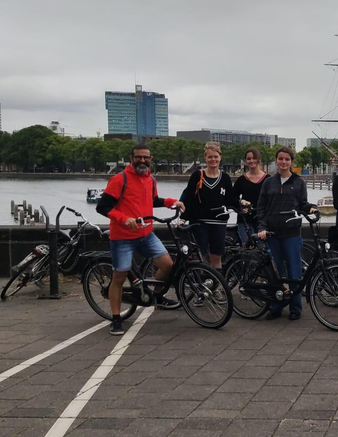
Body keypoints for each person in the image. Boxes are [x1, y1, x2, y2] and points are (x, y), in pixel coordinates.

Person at [96, 143, 185, 336]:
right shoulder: (119, 180)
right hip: (122, 237)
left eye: (146, 157)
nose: (142, 160)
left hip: (146, 235)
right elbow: (102, 207)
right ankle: (116, 318)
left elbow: (153, 200)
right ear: (131, 159)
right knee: (119, 277)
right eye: (138, 157)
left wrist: (171, 202)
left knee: (168, 265)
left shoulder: (150, 179)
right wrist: (124, 219)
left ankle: (156, 296)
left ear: (151, 159)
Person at [257, 146, 317, 320]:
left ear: (291, 162)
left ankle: (295, 308)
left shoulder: (299, 182)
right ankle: (276, 306)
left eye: (287, 159)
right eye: (281, 159)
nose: (283, 162)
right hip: (272, 233)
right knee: (275, 273)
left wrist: (311, 208)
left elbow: (302, 204)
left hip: (291, 233)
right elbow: (261, 208)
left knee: (294, 272)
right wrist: (262, 227)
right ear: (276, 160)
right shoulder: (268, 182)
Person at [182, 142, 236, 270]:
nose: (213, 159)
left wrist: (240, 203)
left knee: (216, 256)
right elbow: (189, 197)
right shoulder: (197, 176)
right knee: (200, 256)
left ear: (220, 157)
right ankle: (200, 284)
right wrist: (183, 218)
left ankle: (216, 286)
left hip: (218, 223)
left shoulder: (225, 178)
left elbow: (230, 200)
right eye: (210, 157)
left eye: (216, 156)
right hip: (200, 222)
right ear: (205, 158)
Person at [233, 147, 269, 245]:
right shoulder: (241, 180)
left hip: (262, 220)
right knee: (248, 250)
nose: (251, 161)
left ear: (258, 160)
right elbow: (232, 198)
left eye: (254, 158)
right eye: (249, 159)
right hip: (245, 220)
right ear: (245, 161)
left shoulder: (268, 179)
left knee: (263, 250)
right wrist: (240, 204)